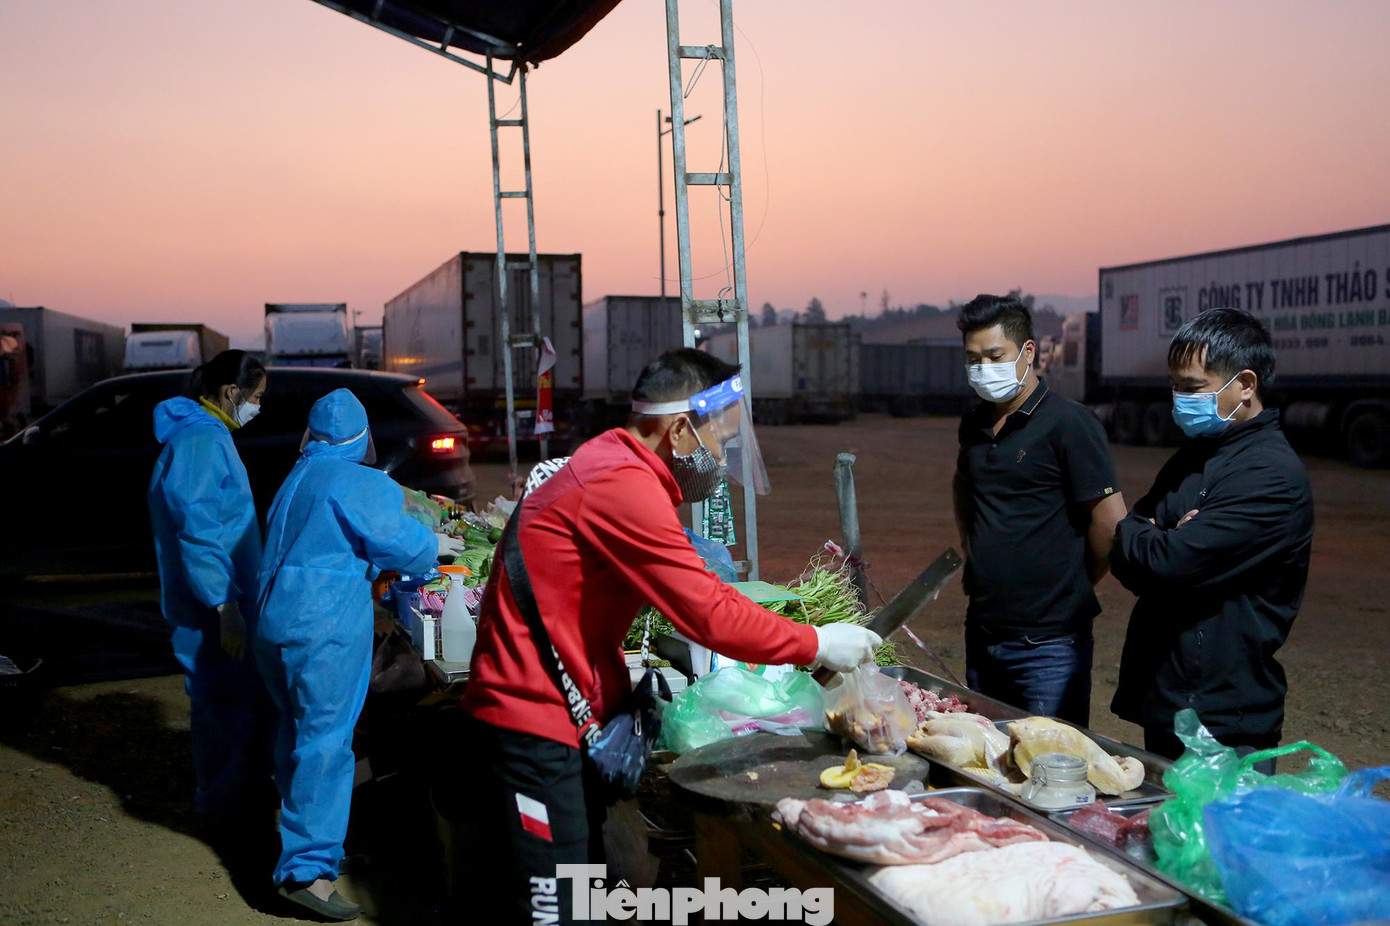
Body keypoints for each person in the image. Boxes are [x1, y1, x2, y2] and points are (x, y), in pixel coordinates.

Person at [457, 349, 882, 925]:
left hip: (564, 711)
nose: (720, 458)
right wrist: (816, 643)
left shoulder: (615, 464)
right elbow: (707, 613)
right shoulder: (622, 483)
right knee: (555, 908)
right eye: (720, 443)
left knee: (584, 889)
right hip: (533, 721)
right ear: (681, 428)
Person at [252, 388, 456, 921]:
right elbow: (402, 545)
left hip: (275, 623)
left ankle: (306, 841)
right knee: (326, 745)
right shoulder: (358, 482)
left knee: (295, 735)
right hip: (323, 626)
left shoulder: (297, 478)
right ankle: (306, 874)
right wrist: (437, 547)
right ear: (363, 436)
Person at [1110, 308, 1312, 772]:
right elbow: (1127, 541)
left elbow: (1166, 563)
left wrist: (1158, 539)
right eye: (1174, 385)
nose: (1178, 398)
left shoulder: (1269, 475)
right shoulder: (1196, 456)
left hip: (1224, 723)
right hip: (1169, 704)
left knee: (1214, 844)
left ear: (1245, 383)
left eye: (1193, 387)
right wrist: (1150, 537)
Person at [952, 294, 1127, 725]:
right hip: (984, 631)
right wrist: (977, 552)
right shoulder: (973, 424)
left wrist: (1070, 582)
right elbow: (965, 489)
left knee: (1049, 775)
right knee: (988, 765)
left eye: (995, 356)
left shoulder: (1070, 423)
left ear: (1028, 352)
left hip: (1049, 646)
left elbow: (1109, 523)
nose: (982, 368)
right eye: (973, 359)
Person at [147, 349, 270, 822]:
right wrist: (225, 606)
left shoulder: (203, 435)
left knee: (227, 704)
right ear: (230, 392)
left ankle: (230, 799)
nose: (259, 407)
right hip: (212, 604)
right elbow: (198, 531)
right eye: (256, 397)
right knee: (224, 707)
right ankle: (225, 810)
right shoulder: (201, 441)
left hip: (215, 599)